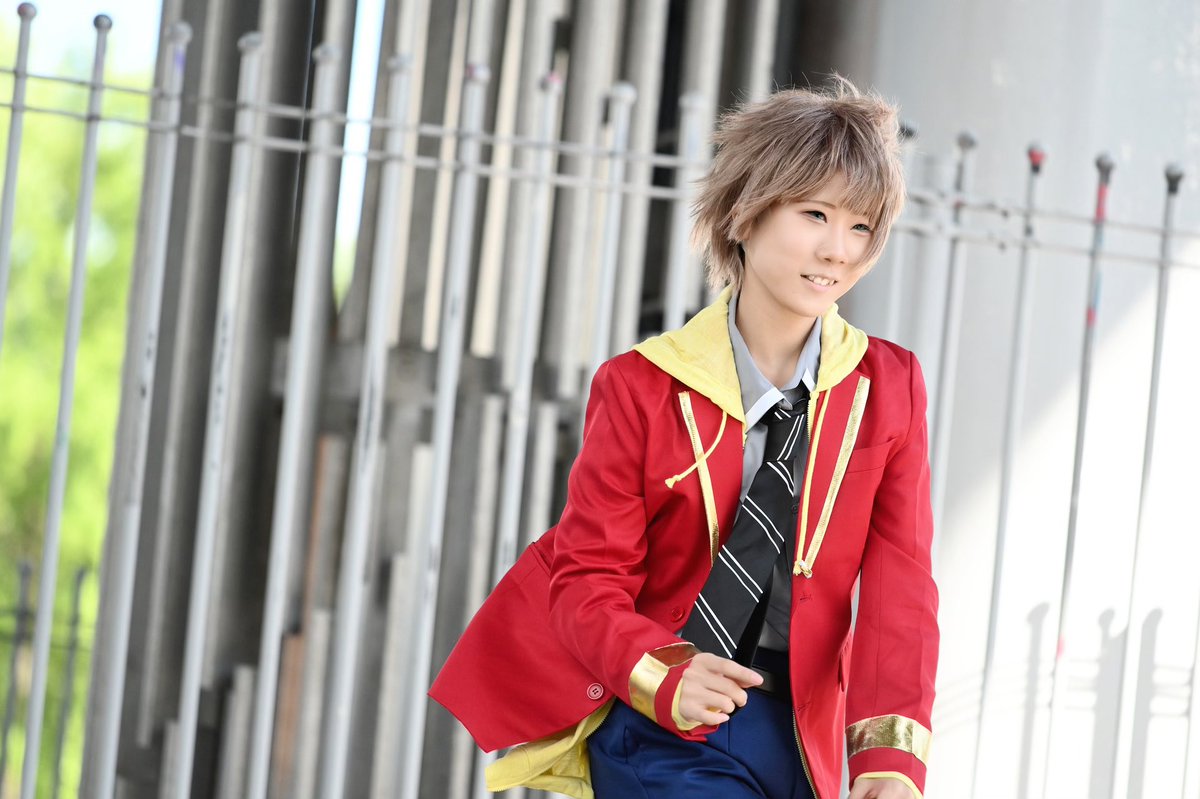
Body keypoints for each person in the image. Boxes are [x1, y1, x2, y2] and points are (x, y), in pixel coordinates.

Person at [430, 75, 939, 799]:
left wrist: (891, 759)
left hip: (807, 740)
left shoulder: (887, 385)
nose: (838, 250)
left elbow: (901, 590)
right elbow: (586, 581)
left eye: (861, 227)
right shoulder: (641, 386)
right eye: (815, 214)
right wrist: (663, 673)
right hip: (666, 728)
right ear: (744, 214)